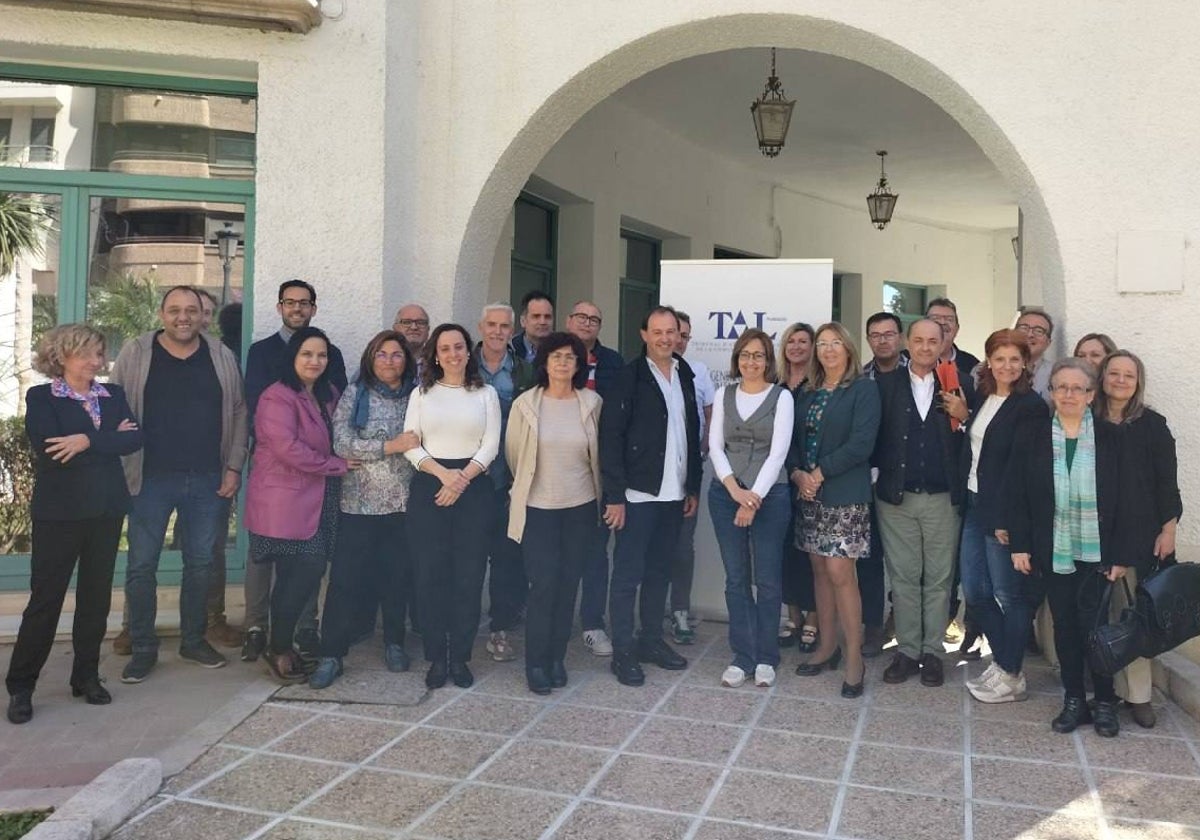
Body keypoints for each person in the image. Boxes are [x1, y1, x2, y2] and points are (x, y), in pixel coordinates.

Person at [6, 325, 143, 725]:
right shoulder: (42, 397)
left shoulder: (112, 395)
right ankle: (21, 686)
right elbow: (49, 450)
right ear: (61, 356)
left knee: (96, 599)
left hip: (106, 511)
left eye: (99, 354)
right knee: (45, 602)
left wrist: (84, 441)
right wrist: (103, 438)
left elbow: (134, 440)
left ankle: (85, 676)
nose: (95, 362)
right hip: (60, 513)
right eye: (86, 353)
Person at [111, 286, 248, 684]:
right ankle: (141, 647)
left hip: (208, 478)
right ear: (161, 313)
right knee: (140, 565)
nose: (183, 317)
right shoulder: (136, 352)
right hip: (149, 477)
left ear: (202, 316)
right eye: (174, 310)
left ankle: (193, 640)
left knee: (201, 564)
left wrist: (234, 467)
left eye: (191, 310)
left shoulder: (220, 355)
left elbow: (239, 411)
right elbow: (114, 402)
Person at [1006, 358, 1126, 737]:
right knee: (1064, 626)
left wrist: (1120, 554)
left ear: (1091, 395)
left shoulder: (1111, 438)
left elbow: (1127, 501)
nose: (1069, 394)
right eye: (1061, 387)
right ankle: (1074, 699)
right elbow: (1019, 495)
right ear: (1052, 392)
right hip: (1052, 549)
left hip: (1099, 552)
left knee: (1096, 627)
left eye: (1078, 388)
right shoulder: (1033, 435)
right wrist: (1020, 545)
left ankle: (1104, 702)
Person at [241, 279, 347, 664]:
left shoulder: (326, 395)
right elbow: (287, 447)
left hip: (317, 498)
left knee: (304, 574)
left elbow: (344, 430)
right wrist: (339, 465)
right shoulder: (276, 396)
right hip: (287, 500)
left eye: (321, 355)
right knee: (294, 576)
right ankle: (278, 647)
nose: (315, 361)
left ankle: (285, 643)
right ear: (293, 357)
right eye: (307, 354)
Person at [310, 331, 420, 689]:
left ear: (407, 359)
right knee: (345, 581)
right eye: (382, 354)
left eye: (396, 355)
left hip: (402, 504)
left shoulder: (417, 397)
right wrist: (392, 445)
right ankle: (331, 653)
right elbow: (341, 443)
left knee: (396, 578)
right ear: (371, 359)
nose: (389, 361)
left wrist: (375, 448)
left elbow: (422, 441)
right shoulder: (355, 394)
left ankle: (393, 643)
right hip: (358, 503)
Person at [600, 306, 701, 686]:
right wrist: (614, 496)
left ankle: (651, 641)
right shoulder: (628, 377)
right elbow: (610, 439)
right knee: (627, 575)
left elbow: (690, 433)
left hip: (674, 495)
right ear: (644, 334)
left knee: (660, 571)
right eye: (657, 332)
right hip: (636, 496)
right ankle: (623, 651)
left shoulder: (684, 374)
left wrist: (692, 485)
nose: (665, 338)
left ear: (679, 334)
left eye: (670, 332)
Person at [873, 319, 971, 688]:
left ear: (944, 341)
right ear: (906, 343)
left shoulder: (962, 384)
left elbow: (975, 438)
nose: (926, 347)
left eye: (934, 340)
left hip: (944, 498)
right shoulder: (884, 386)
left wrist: (964, 416)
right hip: (897, 498)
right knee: (904, 576)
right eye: (919, 340)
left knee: (939, 578)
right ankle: (907, 650)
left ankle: (933, 652)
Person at [404, 324, 501, 689]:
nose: (453, 354)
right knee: (430, 576)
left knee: (468, 576)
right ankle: (436, 656)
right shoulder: (422, 394)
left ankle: (459, 656)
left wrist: (461, 480)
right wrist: (445, 476)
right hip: (431, 485)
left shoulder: (486, 393)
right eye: (444, 348)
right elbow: (412, 445)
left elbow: (490, 445)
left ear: (467, 351)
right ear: (435, 354)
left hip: (474, 490)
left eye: (458, 347)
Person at [506, 332, 602, 694]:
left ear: (579, 365)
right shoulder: (525, 405)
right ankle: (536, 662)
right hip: (538, 510)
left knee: (567, 585)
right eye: (556, 356)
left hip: (579, 508)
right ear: (544, 362)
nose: (563, 362)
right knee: (543, 586)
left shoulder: (591, 403)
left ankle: (557, 657)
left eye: (570, 357)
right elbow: (515, 456)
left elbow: (597, 458)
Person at [787, 323, 879, 698]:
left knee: (841, 571)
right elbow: (789, 440)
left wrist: (819, 473)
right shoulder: (806, 392)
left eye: (834, 343)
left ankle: (854, 657)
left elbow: (862, 443)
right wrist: (797, 475)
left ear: (848, 348)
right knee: (819, 570)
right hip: (809, 495)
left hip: (844, 492)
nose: (827, 350)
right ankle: (827, 647)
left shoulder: (863, 389)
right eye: (822, 344)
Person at [959, 330, 1048, 704]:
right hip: (975, 503)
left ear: (1025, 363)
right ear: (989, 362)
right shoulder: (984, 397)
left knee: (1009, 595)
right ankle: (1006, 664)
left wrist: (1008, 520)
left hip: (1003, 512)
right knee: (975, 592)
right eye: (1000, 359)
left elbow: (1021, 470)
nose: (1007, 366)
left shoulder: (1031, 407)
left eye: (1015, 359)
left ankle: (1010, 673)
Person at [1095, 350, 1181, 728]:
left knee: (1135, 618)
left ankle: (1139, 696)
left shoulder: (1153, 425)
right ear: (1102, 378)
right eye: (1113, 373)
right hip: (1092, 534)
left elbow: (1167, 483)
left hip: (1139, 534)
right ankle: (1103, 693)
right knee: (1102, 616)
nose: (1120, 380)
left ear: (1138, 382)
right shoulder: (1086, 421)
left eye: (1128, 375)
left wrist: (1168, 529)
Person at [708, 329, 793, 689]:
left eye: (758, 355)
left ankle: (766, 657)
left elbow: (778, 453)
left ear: (768, 360)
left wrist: (752, 498)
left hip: (770, 497)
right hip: (725, 493)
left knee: (769, 581)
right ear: (737, 359)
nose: (751, 361)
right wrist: (734, 491)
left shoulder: (782, 397)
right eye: (745, 354)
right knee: (736, 578)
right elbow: (715, 448)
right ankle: (742, 656)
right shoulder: (723, 394)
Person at [475, 303, 535, 663]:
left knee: (506, 559)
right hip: (469, 479)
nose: (498, 331)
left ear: (513, 329)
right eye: (492, 325)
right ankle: (461, 625)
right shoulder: (462, 364)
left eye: (505, 326)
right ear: (481, 327)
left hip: (508, 480)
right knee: (466, 557)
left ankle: (499, 628)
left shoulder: (524, 370)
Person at [565, 300, 623, 657]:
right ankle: (552, 620)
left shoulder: (614, 363)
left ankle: (592, 623)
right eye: (581, 317)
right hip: (557, 470)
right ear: (569, 321)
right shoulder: (550, 355)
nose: (587, 323)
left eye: (594, 319)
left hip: (598, 469)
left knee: (595, 553)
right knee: (557, 552)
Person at [668, 310, 716, 646]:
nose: (678, 341)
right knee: (652, 546)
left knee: (683, 546)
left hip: (688, 474)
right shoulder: (642, 371)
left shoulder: (698, 372)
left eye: (684, 335)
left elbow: (710, 413)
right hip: (652, 477)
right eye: (674, 333)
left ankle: (680, 610)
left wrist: (703, 448)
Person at [777, 322, 818, 652]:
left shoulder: (818, 386)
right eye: (791, 340)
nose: (797, 346)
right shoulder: (774, 384)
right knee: (785, 551)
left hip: (810, 480)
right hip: (777, 479)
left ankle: (815, 618)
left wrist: (807, 474)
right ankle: (793, 616)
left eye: (803, 341)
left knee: (812, 553)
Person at [925, 297, 980, 379]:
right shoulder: (907, 359)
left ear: (957, 329)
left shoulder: (972, 364)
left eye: (949, 319)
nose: (942, 323)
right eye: (936, 318)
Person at [1015, 308, 1056, 398]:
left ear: (1048, 342)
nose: (1030, 335)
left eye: (1038, 331)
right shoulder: (986, 370)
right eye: (1024, 328)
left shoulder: (1056, 373)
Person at [511, 290, 554, 364]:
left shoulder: (562, 349)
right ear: (523, 321)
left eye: (547, 317)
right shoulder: (510, 350)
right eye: (536, 316)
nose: (542, 322)